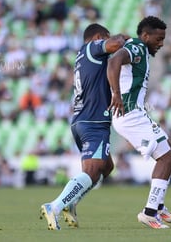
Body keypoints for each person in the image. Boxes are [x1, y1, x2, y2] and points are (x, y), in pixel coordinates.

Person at [40, 23, 128, 230]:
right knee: (91, 171)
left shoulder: (83, 56)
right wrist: (123, 37)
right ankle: (54, 206)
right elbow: (116, 43)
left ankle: (70, 204)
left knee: (106, 168)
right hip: (93, 121)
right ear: (98, 37)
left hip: (83, 120)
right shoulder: (92, 47)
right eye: (104, 38)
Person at [107, 16, 171, 229]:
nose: (161, 43)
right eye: (158, 38)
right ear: (145, 36)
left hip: (135, 114)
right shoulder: (138, 47)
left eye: (163, 39)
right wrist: (116, 94)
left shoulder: (140, 49)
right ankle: (149, 212)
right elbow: (114, 61)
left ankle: (158, 208)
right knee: (165, 157)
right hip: (128, 113)